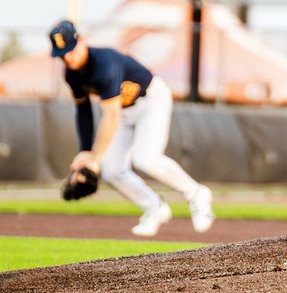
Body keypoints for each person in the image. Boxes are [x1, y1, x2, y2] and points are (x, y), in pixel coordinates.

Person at [49, 19, 215, 238]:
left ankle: (196, 193)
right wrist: (86, 151)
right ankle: (154, 207)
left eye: (70, 51)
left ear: (81, 41)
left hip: (151, 99)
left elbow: (111, 116)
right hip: (125, 111)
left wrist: (95, 159)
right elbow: (83, 110)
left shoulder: (103, 64)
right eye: (62, 55)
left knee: (146, 159)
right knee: (112, 171)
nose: (67, 58)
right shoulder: (71, 74)